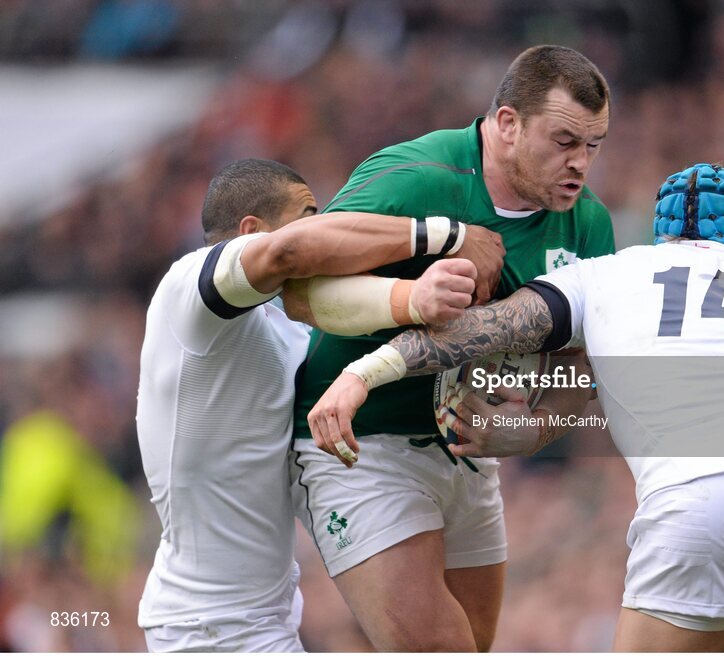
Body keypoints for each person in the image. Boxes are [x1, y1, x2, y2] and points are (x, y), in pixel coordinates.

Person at [313, 163, 724, 652]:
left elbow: (483, 330)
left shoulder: (605, 274)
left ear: (662, 233)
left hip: (691, 506)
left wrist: (364, 372)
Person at [291, 45, 615, 650]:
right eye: (565, 140)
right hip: (362, 448)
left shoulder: (588, 224)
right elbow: (297, 286)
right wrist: (410, 291)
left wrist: (536, 428)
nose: (580, 164)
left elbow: (590, 362)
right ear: (508, 124)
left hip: (468, 459)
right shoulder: (420, 176)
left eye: (593, 146)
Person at [135, 158, 502, 651]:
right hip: (207, 627)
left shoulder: (290, 327)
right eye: (311, 215)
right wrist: (447, 235)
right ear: (250, 231)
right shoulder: (188, 291)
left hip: (265, 619)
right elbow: (289, 254)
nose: (327, 228)